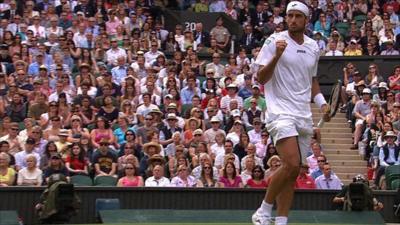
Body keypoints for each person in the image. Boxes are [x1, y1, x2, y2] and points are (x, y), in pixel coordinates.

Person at [252, 2, 329, 225]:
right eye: (289, 16)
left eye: (297, 16)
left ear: (306, 20)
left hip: (303, 114)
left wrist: (322, 103)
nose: (292, 20)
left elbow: (312, 81)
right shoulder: (273, 41)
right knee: (292, 164)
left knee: (293, 173)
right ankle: (264, 210)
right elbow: (261, 79)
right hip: (280, 112)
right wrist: (277, 55)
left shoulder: (314, 46)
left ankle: (282, 221)